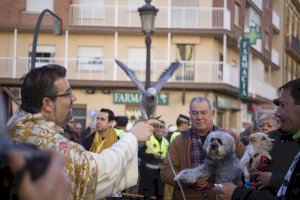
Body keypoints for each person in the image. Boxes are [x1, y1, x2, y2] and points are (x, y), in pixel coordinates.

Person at [7, 64, 158, 199]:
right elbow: (96, 171)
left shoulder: (15, 126)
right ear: (47, 104)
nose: (74, 97)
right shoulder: (47, 144)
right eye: (67, 93)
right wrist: (133, 136)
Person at [214, 78, 300, 200]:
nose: (277, 113)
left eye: (283, 106)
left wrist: (237, 194)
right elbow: (247, 173)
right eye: (278, 106)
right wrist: (249, 173)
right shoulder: (271, 137)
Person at [160, 97, 244, 200]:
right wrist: (188, 181)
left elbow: (246, 164)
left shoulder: (229, 138)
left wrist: (235, 186)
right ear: (190, 114)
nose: (199, 117)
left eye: (203, 113)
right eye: (195, 113)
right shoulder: (178, 141)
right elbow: (166, 172)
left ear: (212, 113)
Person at [138, 120, 169, 199]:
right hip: (148, 173)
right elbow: (139, 153)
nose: (159, 129)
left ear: (164, 129)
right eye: (156, 127)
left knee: (160, 195)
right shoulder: (147, 139)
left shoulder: (166, 142)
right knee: (147, 195)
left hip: (160, 174)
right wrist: (152, 156)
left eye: (161, 127)